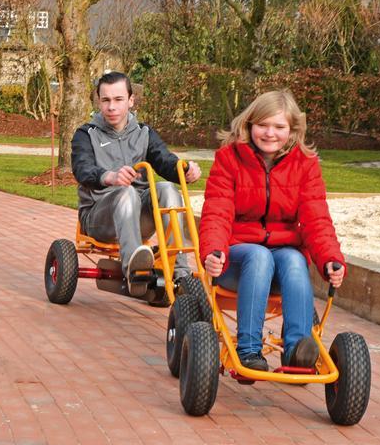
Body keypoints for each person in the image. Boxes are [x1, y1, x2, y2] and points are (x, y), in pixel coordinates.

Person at [198, 90, 346, 372]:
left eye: (279, 127)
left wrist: (330, 259)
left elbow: (317, 219)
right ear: (249, 124)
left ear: (292, 131)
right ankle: (249, 349)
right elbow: (217, 211)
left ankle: (297, 351)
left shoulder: (305, 164)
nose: (270, 133)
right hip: (238, 258)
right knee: (259, 255)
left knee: (293, 259)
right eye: (263, 125)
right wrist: (213, 251)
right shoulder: (229, 159)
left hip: (282, 259)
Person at [72, 71, 202, 296]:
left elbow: (164, 160)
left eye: (118, 99)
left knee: (167, 189)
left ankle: (177, 270)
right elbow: (82, 169)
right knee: (126, 192)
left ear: (131, 100)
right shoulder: (86, 134)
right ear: (99, 102)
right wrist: (110, 176)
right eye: (106, 100)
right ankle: (134, 271)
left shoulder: (144, 133)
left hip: (137, 216)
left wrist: (185, 170)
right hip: (99, 217)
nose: (112, 107)